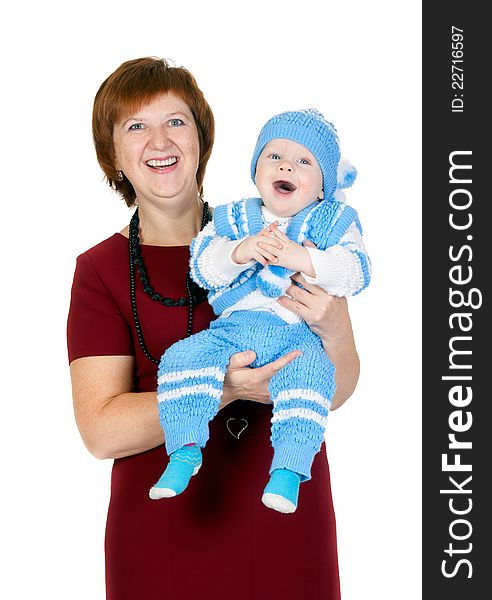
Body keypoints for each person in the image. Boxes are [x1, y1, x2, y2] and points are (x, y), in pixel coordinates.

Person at [67, 56, 361, 600]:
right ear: (114, 155)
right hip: (162, 537)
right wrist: (228, 389)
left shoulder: (281, 234)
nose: (161, 140)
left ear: (202, 138)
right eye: (136, 126)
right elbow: (101, 430)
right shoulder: (100, 270)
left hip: (287, 522)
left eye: (176, 121)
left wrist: (338, 328)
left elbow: (334, 388)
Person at [151, 109, 370, 514]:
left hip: (298, 336)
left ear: (323, 186)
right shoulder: (234, 217)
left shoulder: (332, 221)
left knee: (312, 379)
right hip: (233, 331)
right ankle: (183, 451)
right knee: (181, 358)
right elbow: (202, 265)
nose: (286, 164)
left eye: (304, 161)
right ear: (256, 172)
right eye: (274, 156)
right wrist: (240, 250)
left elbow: (356, 271)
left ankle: (288, 470)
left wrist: (303, 258)